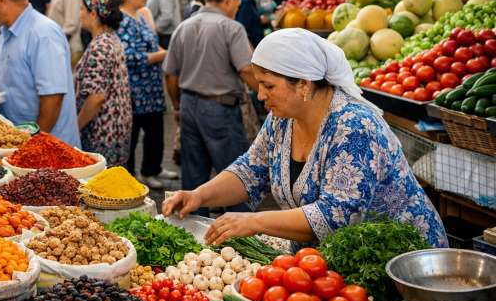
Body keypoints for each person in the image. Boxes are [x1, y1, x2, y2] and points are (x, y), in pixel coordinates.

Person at [162, 29, 449, 249]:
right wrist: (198, 195)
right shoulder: (282, 118)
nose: (260, 95)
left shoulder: (355, 126)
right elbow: (251, 171)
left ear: (303, 84)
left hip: (399, 260)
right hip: (335, 258)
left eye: (268, 86)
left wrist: (253, 222)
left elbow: (335, 216)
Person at [163, 0, 260, 216]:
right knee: (236, 178)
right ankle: (242, 235)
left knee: (194, 178)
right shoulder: (231, 27)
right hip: (220, 110)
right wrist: (267, 94)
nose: (238, 4)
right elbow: (247, 69)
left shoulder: (183, 26)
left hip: (188, 106)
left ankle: (196, 237)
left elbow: (170, 73)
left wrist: (177, 105)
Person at [0, 0, 81, 147]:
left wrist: (34, 146)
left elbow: (53, 96)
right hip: (18, 140)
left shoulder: (42, 33)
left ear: (0, 0)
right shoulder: (7, 30)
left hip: (48, 147)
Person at [116, 0, 177, 187]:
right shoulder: (122, 20)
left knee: (155, 134)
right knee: (132, 139)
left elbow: (150, 43)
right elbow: (128, 56)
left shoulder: (139, 15)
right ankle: (132, 180)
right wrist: (160, 56)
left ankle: (152, 170)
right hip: (135, 91)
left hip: (151, 88)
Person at [74, 0, 133, 167]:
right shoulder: (111, 39)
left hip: (102, 136)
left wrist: (76, 127)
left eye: (83, 10)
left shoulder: (100, 47)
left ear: (94, 14)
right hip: (116, 131)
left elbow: (97, 97)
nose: (79, 15)